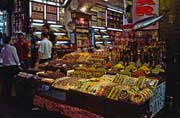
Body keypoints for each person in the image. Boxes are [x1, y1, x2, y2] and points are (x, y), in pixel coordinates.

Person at [0, 36, 22, 101]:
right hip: (12, 67)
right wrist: (19, 65)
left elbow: (1, 58)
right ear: (9, 41)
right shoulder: (12, 48)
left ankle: (6, 95)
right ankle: (12, 96)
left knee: (6, 82)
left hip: (5, 67)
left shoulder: (3, 49)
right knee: (12, 82)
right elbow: (16, 57)